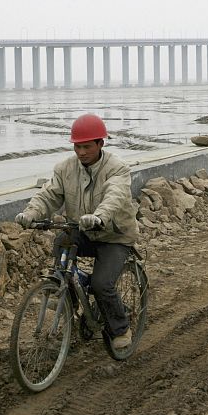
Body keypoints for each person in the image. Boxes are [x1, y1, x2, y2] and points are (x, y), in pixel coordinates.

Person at [15, 113, 139, 348]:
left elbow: (115, 196)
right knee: (61, 242)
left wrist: (99, 217)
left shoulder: (117, 169)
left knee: (102, 284)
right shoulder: (65, 169)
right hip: (83, 230)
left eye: (87, 146)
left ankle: (121, 329)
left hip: (114, 235)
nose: (81, 152)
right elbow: (49, 195)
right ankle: (67, 294)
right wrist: (31, 213)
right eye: (77, 146)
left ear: (101, 143)